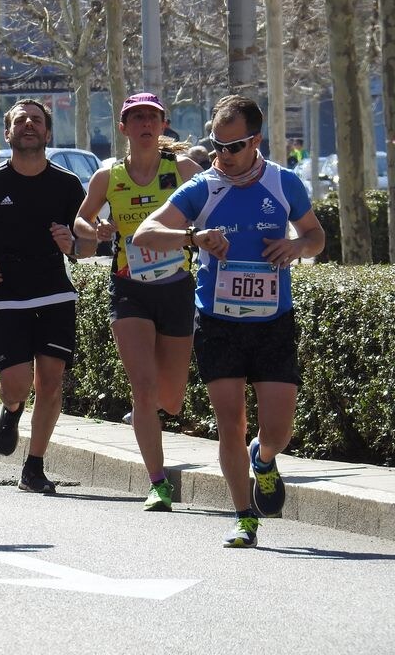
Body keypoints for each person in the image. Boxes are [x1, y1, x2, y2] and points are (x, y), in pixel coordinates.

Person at [133, 95, 325, 548]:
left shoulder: (284, 183)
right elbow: (144, 233)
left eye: (233, 146)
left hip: (273, 319)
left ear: (255, 140)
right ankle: (244, 517)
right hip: (218, 321)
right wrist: (192, 236)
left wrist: (297, 247)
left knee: (278, 429)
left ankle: (265, 458)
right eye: (216, 145)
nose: (223, 155)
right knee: (230, 422)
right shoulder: (203, 187)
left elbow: (316, 236)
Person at [73, 92, 203, 512]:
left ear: (163, 125)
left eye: (152, 117)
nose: (145, 124)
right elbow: (81, 217)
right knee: (144, 390)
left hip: (177, 286)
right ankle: (158, 482)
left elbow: (213, 206)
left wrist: (197, 232)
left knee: (172, 399)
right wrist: (95, 230)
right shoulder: (107, 176)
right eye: (137, 118)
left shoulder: (182, 169)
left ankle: (153, 416)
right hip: (130, 287)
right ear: (124, 127)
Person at [0, 98, 90, 495]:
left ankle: (34, 466)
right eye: (21, 121)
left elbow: (86, 245)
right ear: (8, 133)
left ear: (48, 133)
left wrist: (73, 244)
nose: (29, 125)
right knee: (17, 385)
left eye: (36, 120)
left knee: (51, 382)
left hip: (54, 292)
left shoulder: (67, 185)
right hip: (8, 293)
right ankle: (12, 408)